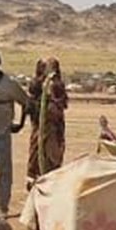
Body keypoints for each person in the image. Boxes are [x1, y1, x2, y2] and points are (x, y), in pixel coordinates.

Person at [26, 57, 67, 186]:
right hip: (40, 125)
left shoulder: (58, 85)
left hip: (54, 128)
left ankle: (52, 176)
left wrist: (52, 91)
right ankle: (34, 177)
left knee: (53, 152)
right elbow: (31, 102)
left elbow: (62, 102)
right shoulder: (35, 85)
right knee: (37, 149)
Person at [0, 52, 29, 217]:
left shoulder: (9, 85)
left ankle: (2, 207)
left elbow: (26, 103)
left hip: (3, 133)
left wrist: (20, 123)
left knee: (4, 172)